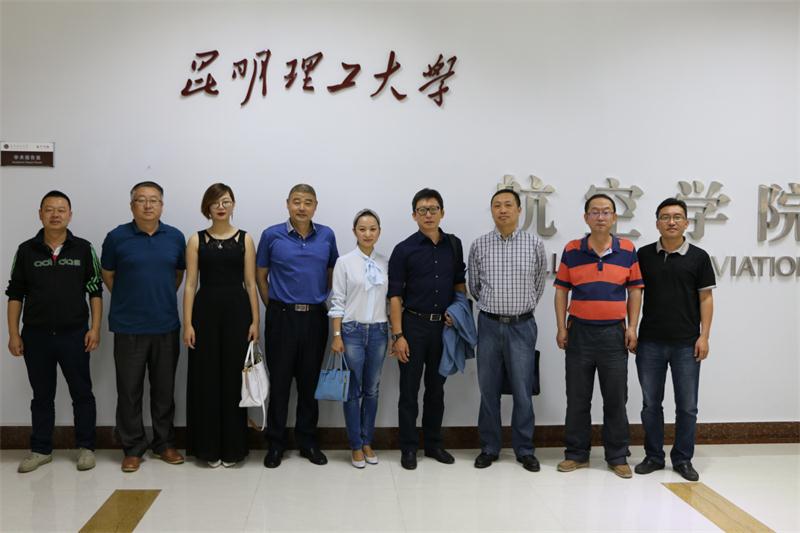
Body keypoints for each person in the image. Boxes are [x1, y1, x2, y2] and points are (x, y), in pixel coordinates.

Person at [6, 191, 102, 473]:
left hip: (75, 334)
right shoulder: (26, 250)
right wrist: (13, 333)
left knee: (82, 393)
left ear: (70, 215)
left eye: (61, 209)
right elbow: (15, 294)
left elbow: (95, 290)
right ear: (40, 214)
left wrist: (95, 328)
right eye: (49, 209)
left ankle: (86, 447)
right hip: (36, 336)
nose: (55, 214)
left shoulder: (83, 249)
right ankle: (40, 450)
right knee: (41, 396)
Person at [554, 193, 643, 479]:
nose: (600, 217)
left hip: (613, 334)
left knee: (615, 398)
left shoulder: (627, 249)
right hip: (579, 332)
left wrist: (632, 327)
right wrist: (561, 327)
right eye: (595, 212)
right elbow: (561, 290)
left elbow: (635, 290)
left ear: (614, 217)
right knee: (577, 397)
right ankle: (576, 454)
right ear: (586, 217)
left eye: (606, 212)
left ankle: (617, 456)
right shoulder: (572, 249)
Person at [101, 181, 186, 473]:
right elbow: (108, 274)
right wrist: (129, 298)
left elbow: (178, 275)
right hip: (129, 327)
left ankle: (164, 443)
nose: (148, 205)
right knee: (129, 390)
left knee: (164, 390)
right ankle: (133, 447)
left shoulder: (175, 237)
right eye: (141, 200)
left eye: (154, 200)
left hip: (165, 325)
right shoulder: (116, 237)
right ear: (131, 205)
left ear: (162, 205)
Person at [256, 184, 338, 468]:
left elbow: (332, 271)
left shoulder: (327, 235)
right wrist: (275, 306)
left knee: (309, 383)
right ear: (287, 204)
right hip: (281, 317)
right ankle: (275, 444)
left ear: (315, 206)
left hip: (314, 318)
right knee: (279, 383)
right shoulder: (271, 235)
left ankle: (308, 442)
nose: (302, 207)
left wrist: (319, 297)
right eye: (296, 201)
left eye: (308, 202)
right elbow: (261, 276)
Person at [634, 198, 715, 482]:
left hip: (686, 343)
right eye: (665, 217)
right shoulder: (643, 255)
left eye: (677, 217)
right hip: (650, 342)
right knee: (650, 404)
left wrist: (704, 336)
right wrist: (632, 328)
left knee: (687, 406)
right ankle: (653, 456)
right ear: (657, 223)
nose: (671, 222)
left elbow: (706, 298)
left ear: (686, 223)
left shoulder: (699, 257)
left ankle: (682, 459)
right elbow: (635, 295)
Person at [468, 189, 547, 472]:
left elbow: (539, 285)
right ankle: (489, 447)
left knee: (522, 390)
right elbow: (475, 287)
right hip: (489, 325)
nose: (503, 210)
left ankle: (524, 449)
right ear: (491, 210)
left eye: (508, 205)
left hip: (522, 325)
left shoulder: (534, 244)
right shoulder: (479, 245)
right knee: (488, 389)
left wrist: (519, 309)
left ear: (518, 210)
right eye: (497, 205)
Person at [388, 188, 466, 470]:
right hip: (413, 326)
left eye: (433, 209)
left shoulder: (453, 245)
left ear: (442, 212)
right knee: (409, 390)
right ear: (414, 215)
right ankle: (409, 447)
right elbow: (394, 296)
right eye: (422, 210)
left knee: (437, 389)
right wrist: (398, 335)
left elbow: (459, 284)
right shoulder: (403, 249)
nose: (428, 214)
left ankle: (433, 444)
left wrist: (458, 313)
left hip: (442, 329)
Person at [183, 183, 259, 468]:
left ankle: (233, 449)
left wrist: (256, 321)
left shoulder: (245, 239)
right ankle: (207, 449)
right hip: (204, 314)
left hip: (238, 314)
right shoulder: (196, 240)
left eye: (226, 201)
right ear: (207, 207)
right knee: (206, 379)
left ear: (233, 205)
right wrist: (187, 323)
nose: (221, 206)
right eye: (215, 202)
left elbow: (250, 283)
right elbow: (190, 284)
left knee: (233, 380)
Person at [329, 209, 389, 469]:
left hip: (379, 331)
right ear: (354, 232)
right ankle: (355, 444)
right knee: (352, 391)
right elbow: (337, 301)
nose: (367, 233)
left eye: (373, 229)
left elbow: (391, 300)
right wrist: (337, 335)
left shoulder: (385, 262)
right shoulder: (344, 262)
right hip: (351, 331)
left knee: (372, 389)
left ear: (379, 231)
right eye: (362, 229)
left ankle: (367, 441)